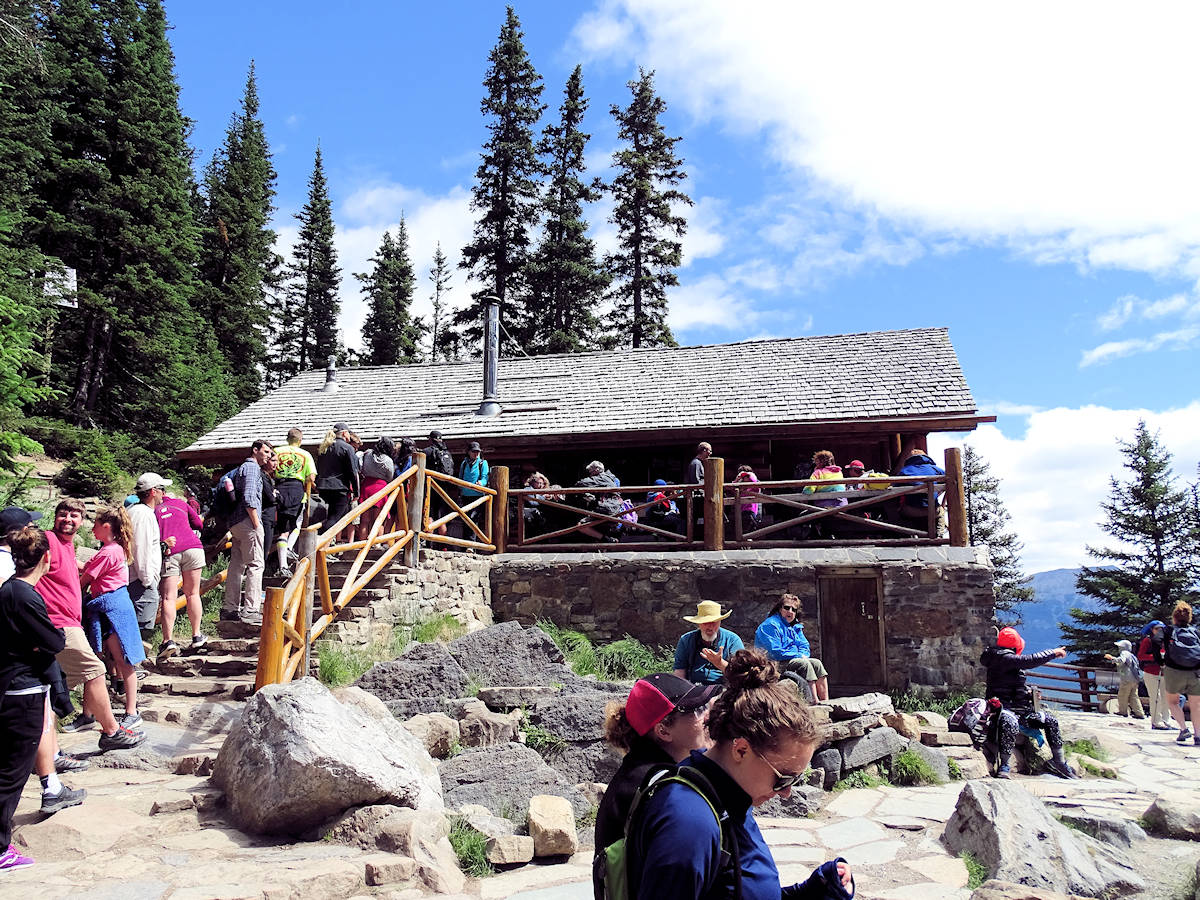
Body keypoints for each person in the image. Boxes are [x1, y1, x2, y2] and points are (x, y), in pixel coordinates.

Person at [625, 649, 855, 900]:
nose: (787, 792)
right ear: (741, 750)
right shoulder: (688, 824)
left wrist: (813, 891)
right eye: (783, 778)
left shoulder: (727, 795)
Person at [37, 499, 144, 749]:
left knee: (112, 663)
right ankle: (107, 729)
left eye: (75, 516)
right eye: (63, 514)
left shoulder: (96, 549)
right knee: (95, 669)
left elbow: (84, 576)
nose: (68, 519)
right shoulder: (51, 540)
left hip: (100, 612)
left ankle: (125, 713)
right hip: (64, 620)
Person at [0, 526, 75, 872]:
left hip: (9, 684)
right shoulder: (26, 596)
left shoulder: (8, 590)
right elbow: (55, 641)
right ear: (47, 557)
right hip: (24, 690)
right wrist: (45, 639)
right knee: (12, 773)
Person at [594, 673, 719, 862]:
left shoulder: (641, 771)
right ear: (663, 731)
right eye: (697, 710)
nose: (707, 716)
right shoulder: (661, 787)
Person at [78, 506, 144, 730]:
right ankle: (89, 713)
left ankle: (131, 711)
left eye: (95, 525)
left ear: (106, 527)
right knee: (99, 661)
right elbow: (86, 568)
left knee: (122, 660)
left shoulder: (109, 552)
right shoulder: (112, 550)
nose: (92, 529)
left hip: (112, 608)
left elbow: (84, 579)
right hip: (107, 607)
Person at [980, 627, 1075, 778]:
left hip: (1021, 710)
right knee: (1009, 721)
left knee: (1050, 720)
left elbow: (1013, 685)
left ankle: (1059, 762)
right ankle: (1004, 765)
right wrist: (1053, 652)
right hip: (1001, 709)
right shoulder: (1001, 658)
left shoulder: (1006, 659)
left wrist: (1028, 693)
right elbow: (1029, 660)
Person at [222, 439, 273, 624]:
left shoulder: (241, 468)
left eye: (270, 454)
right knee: (256, 565)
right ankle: (251, 609)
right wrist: (257, 524)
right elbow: (250, 497)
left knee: (236, 566)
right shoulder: (252, 468)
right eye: (266, 452)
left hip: (236, 522)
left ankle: (230, 608)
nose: (268, 456)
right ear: (255, 450)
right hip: (248, 521)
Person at [155, 490, 207, 660]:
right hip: (193, 547)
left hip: (171, 551)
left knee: (168, 598)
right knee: (193, 593)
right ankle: (197, 635)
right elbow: (198, 524)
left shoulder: (154, 510)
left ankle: (168, 641)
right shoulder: (181, 503)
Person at [755, 594, 829, 701]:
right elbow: (775, 652)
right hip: (772, 664)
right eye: (786, 607)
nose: (790, 611)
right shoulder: (770, 625)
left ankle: (826, 701)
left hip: (789, 659)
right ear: (780, 609)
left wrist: (802, 655)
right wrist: (798, 656)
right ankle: (814, 702)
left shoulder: (795, 626)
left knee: (817, 663)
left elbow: (804, 646)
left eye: (793, 609)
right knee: (804, 664)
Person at [128, 472, 170, 636]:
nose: (164, 494)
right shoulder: (144, 515)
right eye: (162, 489)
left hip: (136, 580)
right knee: (141, 632)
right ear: (153, 491)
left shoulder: (135, 510)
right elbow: (141, 549)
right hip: (140, 582)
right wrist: (147, 580)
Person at [273, 427, 317, 577]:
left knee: (282, 528)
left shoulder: (277, 451)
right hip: (296, 488)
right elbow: (311, 477)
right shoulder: (305, 454)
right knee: (297, 523)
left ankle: (283, 563)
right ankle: (288, 550)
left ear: (287, 439)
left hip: (279, 488)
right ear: (300, 440)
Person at [674, 601, 745, 685]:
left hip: (725, 688)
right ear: (699, 623)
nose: (710, 627)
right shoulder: (686, 640)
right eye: (705, 622)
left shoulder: (732, 640)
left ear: (720, 622)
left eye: (714, 622)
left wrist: (720, 663)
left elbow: (742, 673)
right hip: (693, 687)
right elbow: (679, 671)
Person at [1162, 600, 1200, 746]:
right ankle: (1198, 735)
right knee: (1196, 705)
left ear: (1174, 617)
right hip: (1195, 671)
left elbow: (1156, 641)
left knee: (1172, 702)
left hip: (1174, 670)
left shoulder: (1168, 630)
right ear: (1189, 617)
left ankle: (1184, 729)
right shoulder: (1195, 632)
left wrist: (1160, 661)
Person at [316, 424, 359, 542]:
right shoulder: (347, 448)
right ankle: (321, 543)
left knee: (332, 515)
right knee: (335, 518)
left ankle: (328, 543)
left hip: (324, 487)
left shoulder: (324, 447)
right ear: (344, 433)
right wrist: (356, 492)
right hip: (339, 488)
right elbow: (353, 472)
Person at [358, 436, 396, 541]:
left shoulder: (367, 455)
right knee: (379, 519)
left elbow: (361, 467)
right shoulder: (388, 460)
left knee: (364, 520)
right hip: (381, 487)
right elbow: (390, 476)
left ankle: (362, 542)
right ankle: (377, 543)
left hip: (366, 486)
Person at [575, 461, 623, 543]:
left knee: (581, 526)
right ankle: (606, 540)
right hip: (614, 510)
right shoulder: (612, 478)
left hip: (608, 510)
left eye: (591, 471)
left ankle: (607, 540)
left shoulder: (602, 478)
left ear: (597, 470)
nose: (590, 474)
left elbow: (581, 483)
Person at [1137, 620, 1172, 730]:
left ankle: (1166, 720)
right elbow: (1140, 656)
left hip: (1165, 673)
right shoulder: (1147, 641)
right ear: (1151, 629)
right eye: (1157, 628)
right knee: (1156, 697)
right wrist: (1156, 657)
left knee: (1166, 698)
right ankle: (1156, 721)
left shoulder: (1166, 641)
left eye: (1161, 628)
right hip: (1151, 673)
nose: (1159, 630)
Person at [895, 448, 944, 521]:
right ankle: (940, 528)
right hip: (933, 510)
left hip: (912, 511)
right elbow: (949, 480)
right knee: (941, 511)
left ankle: (903, 528)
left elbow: (895, 488)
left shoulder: (904, 471)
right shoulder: (935, 469)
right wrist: (936, 492)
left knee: (897, 509)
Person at [422, 430, 455, 537]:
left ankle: (428, 541)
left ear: (430, 440)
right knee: (441, 516)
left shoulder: (426, 452)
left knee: (429, 514)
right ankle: (443, 543)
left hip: (430, 487)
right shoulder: (447, 453)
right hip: (443, 488)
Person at [1103, 640, 1145, 720]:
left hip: (1127, 679)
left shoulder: (1124, 653)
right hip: (1135, 679)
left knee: (1122, 695)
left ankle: (1123, 711)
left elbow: (1122, 660)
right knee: (1134, 697)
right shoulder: (1132, 655)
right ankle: (1140, 713)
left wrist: (1112, 658)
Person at [458, 441, 490, 533]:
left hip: (477, 496)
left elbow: (485, 477)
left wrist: (481, 483)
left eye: (478, 452)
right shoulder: (464, 463)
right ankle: (465, 542)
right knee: (465, 520)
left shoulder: (483, 463)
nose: (476, 454)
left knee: (473, 519)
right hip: (465, 496)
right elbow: (460, 477)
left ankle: (472, 542)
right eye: (474, 451)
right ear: (469, 452)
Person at [733, 465, 762, 535]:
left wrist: (748, 474)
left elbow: (753, 480)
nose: (744, 478)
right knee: (742, 531)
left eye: (745, 476)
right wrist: (737, 479)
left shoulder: (754, 486)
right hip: (741, 511)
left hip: (751, 511)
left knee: (750, 531)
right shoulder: (740, 487)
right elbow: (732, 487)